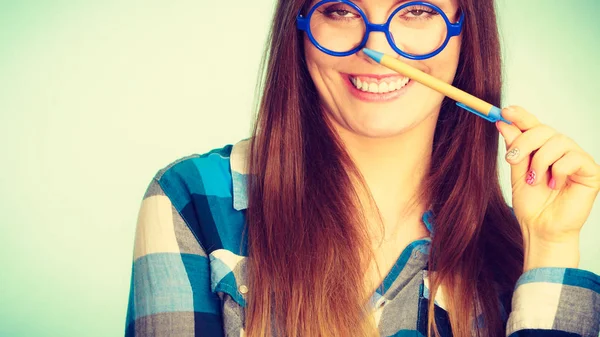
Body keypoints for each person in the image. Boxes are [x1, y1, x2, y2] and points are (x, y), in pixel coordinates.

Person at [124, 0, 600, 336]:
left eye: (416, 9)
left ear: (464, 29)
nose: (376, 47)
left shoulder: (514, 257)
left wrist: (550, 247)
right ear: (303, 24)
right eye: (342, 10)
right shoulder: (192, 199)